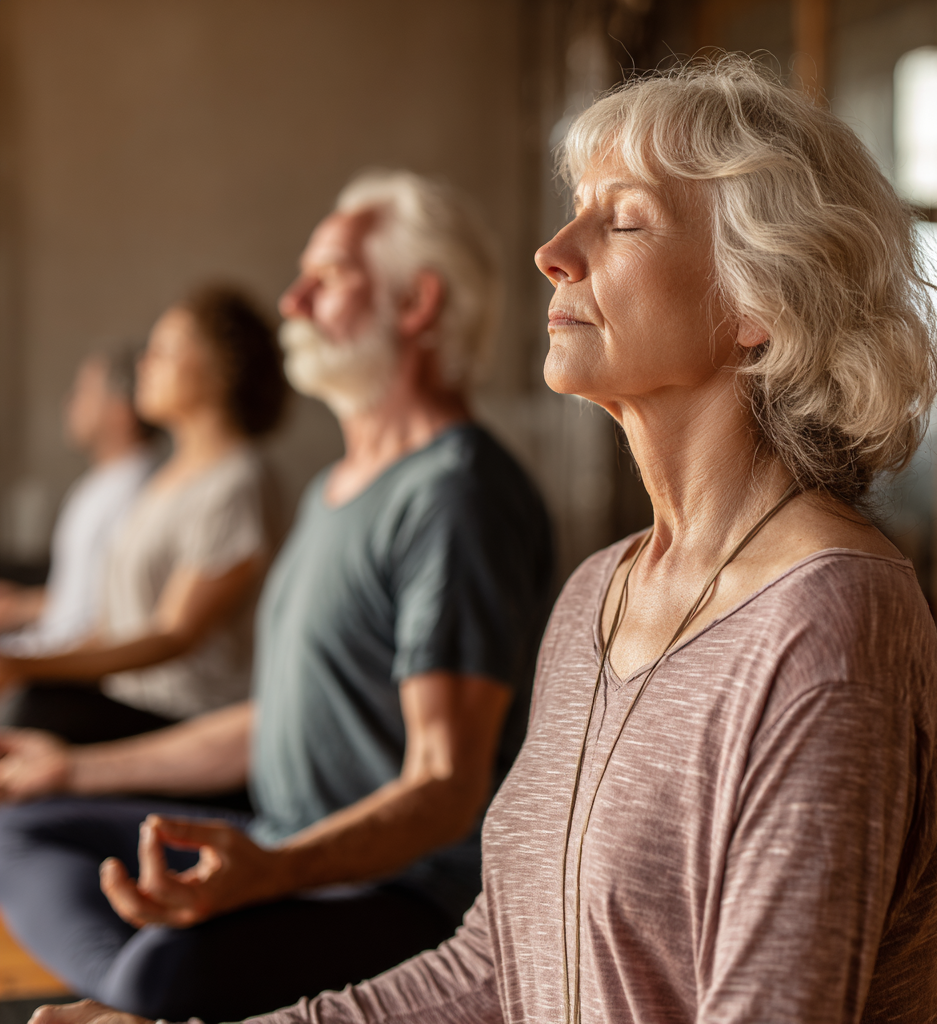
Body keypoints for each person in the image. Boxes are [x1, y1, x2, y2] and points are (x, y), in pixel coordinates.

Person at [29, 58, 937, 1024]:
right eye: (573, 211)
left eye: (626, 219)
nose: (553, 251)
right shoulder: (598, 592)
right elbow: (497, 968)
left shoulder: (826, 621)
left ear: (762, 303)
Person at [0, 170, 553, 1022]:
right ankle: (141, 1002)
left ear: (416, 305)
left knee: (160, 975)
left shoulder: (455, 493)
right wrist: (71, 770)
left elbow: (446, 785)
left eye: (326, 278)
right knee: (27, 829)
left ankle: (142, 1002)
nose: (291, 300)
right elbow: (277, 718)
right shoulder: (334, 487)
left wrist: (277, 873)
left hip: (401, 894)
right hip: (281, 840)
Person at [0, 285, 287, 742]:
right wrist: (26, 662)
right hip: (133, 702)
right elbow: (112, 629)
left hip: (193, 725)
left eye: (163, 352)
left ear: (219, 370)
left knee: (34, 709)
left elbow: (176, 634)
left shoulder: (239, 481)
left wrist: (26, 666)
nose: (144, 366)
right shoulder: (167, 479)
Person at [0, 348, 156, 657]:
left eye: (84, 392)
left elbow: (110, 616)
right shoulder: (100, 483)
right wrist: (22, 605)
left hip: (70, 667)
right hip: (49, 650)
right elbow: (81, 598)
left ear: (121, 411)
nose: (69, 403)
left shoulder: (139, 490)